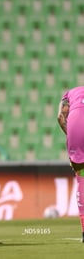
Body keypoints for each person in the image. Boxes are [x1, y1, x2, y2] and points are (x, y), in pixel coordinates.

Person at [57, 86, 84, 243]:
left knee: (81, 176)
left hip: (75, 127)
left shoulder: (69, 94)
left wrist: (74, 138)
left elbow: (60, 116)